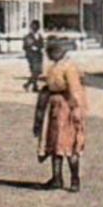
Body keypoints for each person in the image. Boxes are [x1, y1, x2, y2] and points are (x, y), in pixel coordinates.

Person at [36, 39, 87, 191]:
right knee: (54, 143)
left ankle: (74, 180)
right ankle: (56, 178)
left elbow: (75, 90)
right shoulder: (54, 66)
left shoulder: (68, 67)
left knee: (69, 144)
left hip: (66, 106)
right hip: (54, 106)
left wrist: (77, 109)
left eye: (51, 51)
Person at [22, 19, 46, 90]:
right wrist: (32, 48)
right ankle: (30, 85)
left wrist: (41, 48)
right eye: (34, 26)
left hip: (39, 55)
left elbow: (42, 44)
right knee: (35, 71)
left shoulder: (39, 36)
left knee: (37, 71)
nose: (36, 28)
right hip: (31, 56)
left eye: (37, 26)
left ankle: (31, 86)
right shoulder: (28, 36)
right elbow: (25, 46)